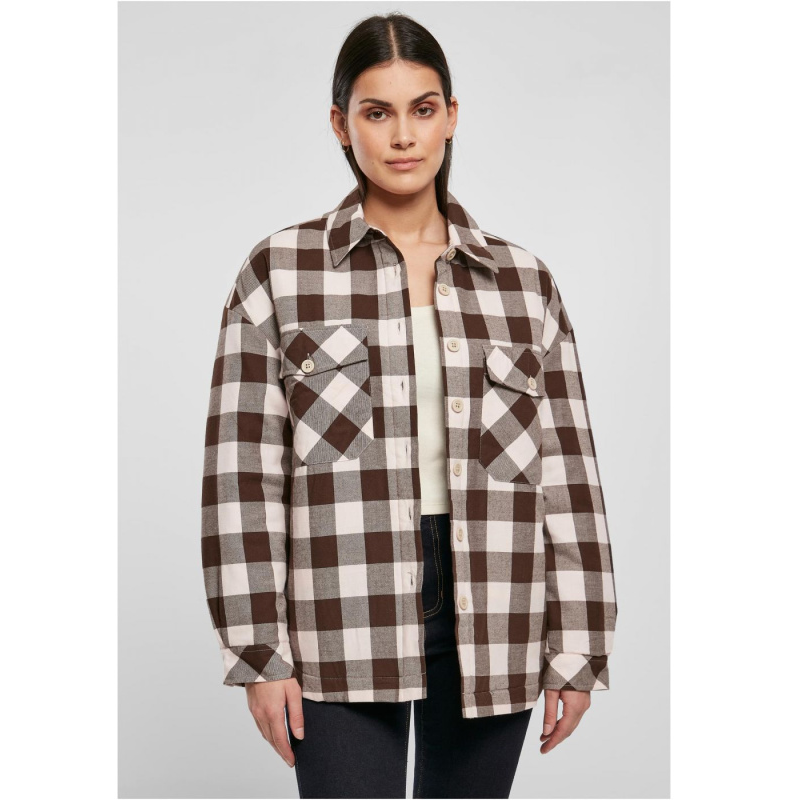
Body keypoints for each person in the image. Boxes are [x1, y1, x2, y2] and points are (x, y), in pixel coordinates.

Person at [201, 12, 618, 799]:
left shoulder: (523, 284)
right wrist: (258, 653)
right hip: (340, 607)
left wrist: (579, 647)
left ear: (451, 117)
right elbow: (242, 478)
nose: (402, 136)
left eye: (423, 110)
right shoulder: (281, 272)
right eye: (376, 112)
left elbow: (567, 475)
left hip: (496, 605)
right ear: (340, 124)